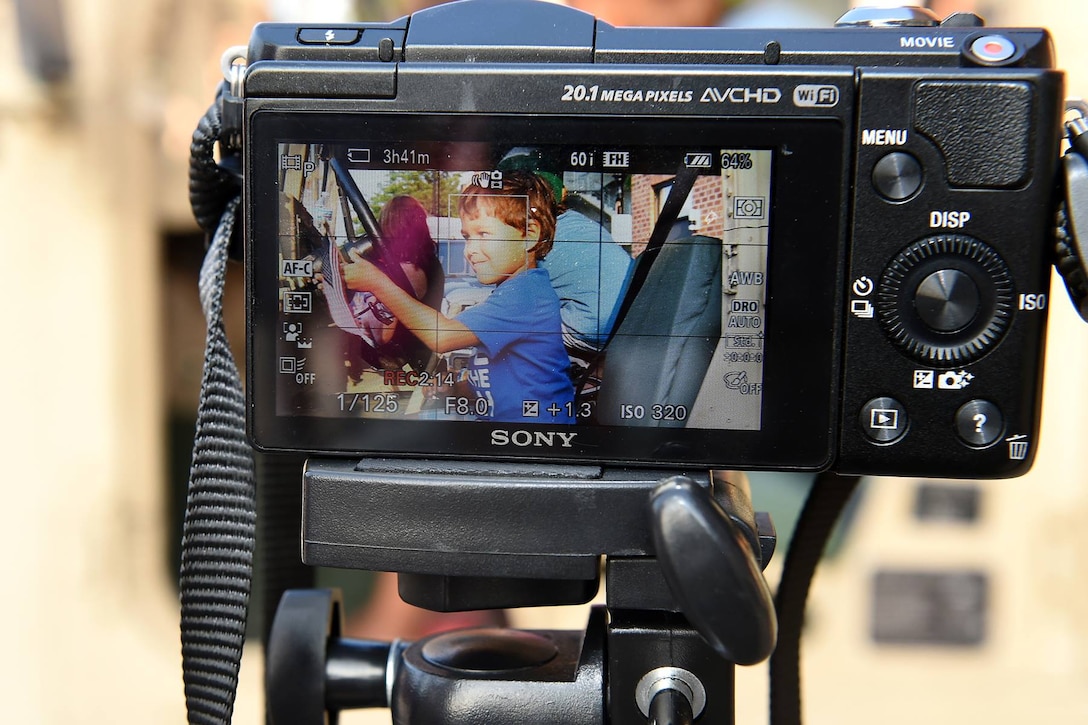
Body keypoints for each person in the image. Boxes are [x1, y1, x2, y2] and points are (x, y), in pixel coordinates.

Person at [340, 170, 575, 423]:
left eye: (483, 234)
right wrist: (456, 388)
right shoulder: (512, 291)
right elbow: (497, 377)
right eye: (467, 237)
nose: (470, 251)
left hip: (534, 440)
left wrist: (377, 283)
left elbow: (443, 337)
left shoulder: (526, 294)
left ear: (529, 234)